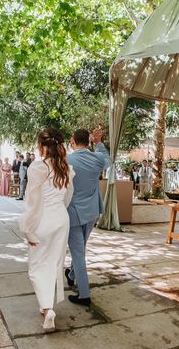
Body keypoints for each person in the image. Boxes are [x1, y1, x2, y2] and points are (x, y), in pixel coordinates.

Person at [18, 127, 74, 332]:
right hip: (61, 219)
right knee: (53, 263)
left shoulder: (38, 167)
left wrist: (27, 228)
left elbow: (32, 202)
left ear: (42, 146)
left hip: (43, 220)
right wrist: (59, 212)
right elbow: (68, 196)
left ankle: (47, 308)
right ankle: (46, 306)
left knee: (36, 265)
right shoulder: (66, 167)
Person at [65, 127, 111, 306]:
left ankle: (84, 295)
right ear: (88, 141)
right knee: (81, 248)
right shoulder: (97, 158)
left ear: (73, 141)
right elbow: (108, 160)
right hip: (91, 211)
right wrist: (98, 143)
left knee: (77, 253)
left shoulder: (67, 160)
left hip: (74, 212)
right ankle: (72, 274)